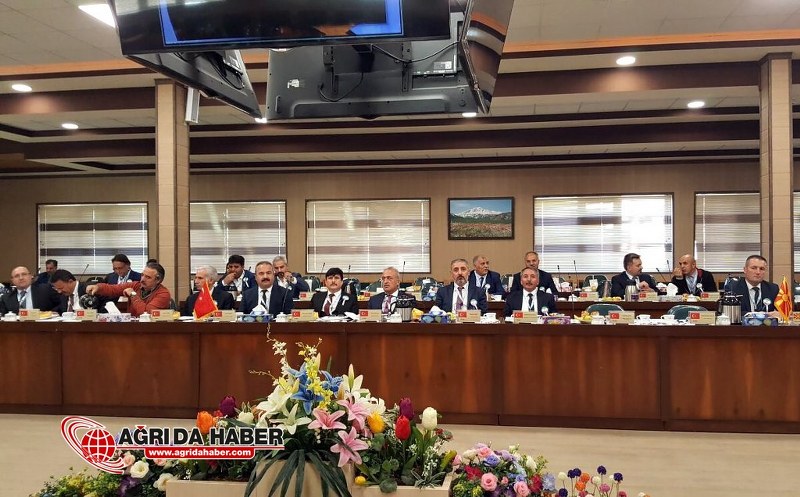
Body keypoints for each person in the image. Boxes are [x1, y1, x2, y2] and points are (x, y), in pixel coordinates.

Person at [88, 262, 172, 317]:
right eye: (142, 275)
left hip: (152, 332)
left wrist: (133, 294)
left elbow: (145, 314)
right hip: (133, 328)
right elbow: (113, 289)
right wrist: (98, 287)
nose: (142, 279)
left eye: (148, 277)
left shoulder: (163, 294)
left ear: (158, 280)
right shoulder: (136, 285)